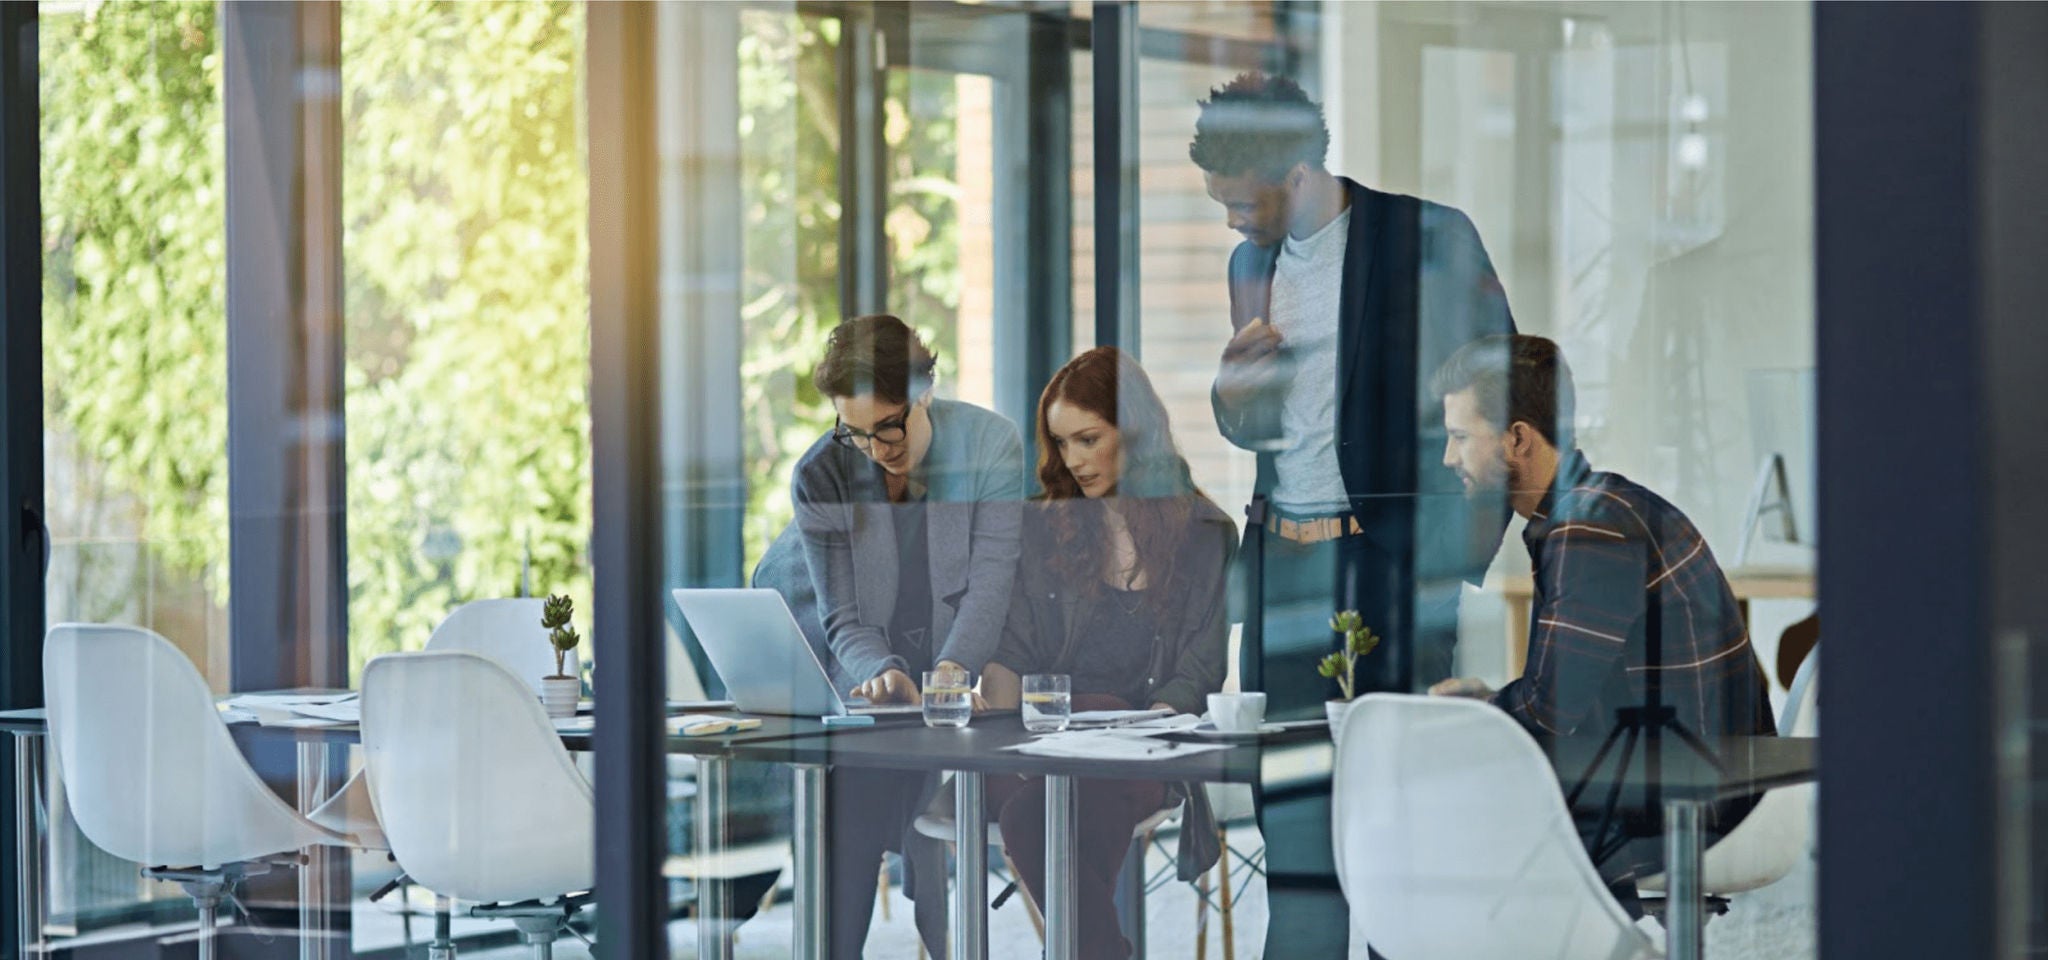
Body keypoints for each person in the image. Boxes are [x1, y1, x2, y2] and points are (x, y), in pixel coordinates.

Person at [1193, 71, 1516, 957]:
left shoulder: (1426, 239)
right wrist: (1230, 391)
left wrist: (1449, 567)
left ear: (1297, 169)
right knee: (1295, 838)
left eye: (1240, 201)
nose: (1231, 222)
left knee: (1396, 833)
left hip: (1387, 569)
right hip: (1286, 570)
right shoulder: (1249, 264)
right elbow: (1261, 426)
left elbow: (1499, 389)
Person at [1426, 334, 1776, 917]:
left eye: (1461, 436)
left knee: (1420, 844)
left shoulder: (1589, 528)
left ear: (1518, 438)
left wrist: (1465, 722)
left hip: (1683, 807)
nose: (1448, 457)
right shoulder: (1594, 509)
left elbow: (1551, 715)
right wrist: (1488, 704)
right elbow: (1571, 703)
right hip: (1677, 783)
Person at [752, 314, 1024, 958]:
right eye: (855, 432)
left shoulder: (990, 445)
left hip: (958, 664)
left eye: (889, 425)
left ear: (925, 389)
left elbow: (992, 579)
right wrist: (880, 670)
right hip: (866, 678)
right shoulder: (822, 472)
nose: (877, 448)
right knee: (842, 803)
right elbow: (841, 615)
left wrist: (956, 665)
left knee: (933, 803)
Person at [981, 347, 1235, 960]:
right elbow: (1011, 650)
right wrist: (990, 692)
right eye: (1061, 443)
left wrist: (1140, 727)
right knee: (1037, 806)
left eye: (1088, 439)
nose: (1074, 461)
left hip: (1143, 743)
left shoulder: (1205, 533)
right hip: (1045, 735)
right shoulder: (1043, 527)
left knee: (1036, 818)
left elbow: (1200, 669)